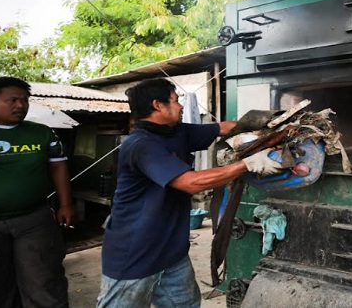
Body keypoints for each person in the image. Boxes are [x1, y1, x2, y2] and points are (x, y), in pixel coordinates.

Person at [97, 77, 282, 308]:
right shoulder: (140, 145)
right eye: (176, 100)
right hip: (135, 255)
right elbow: (190, 183)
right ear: (158, 105)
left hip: (172, 254)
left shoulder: (176, 132)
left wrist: (271, 127)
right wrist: (249, 164)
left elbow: (223, 128)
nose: (181, 106)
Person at [0, 76, 74, 308]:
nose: (20, 105)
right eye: (12, 100)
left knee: (43, 280)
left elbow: (58, 167)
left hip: (34, 220)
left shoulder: (42, 133)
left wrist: (65, 204)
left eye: (25, 100)